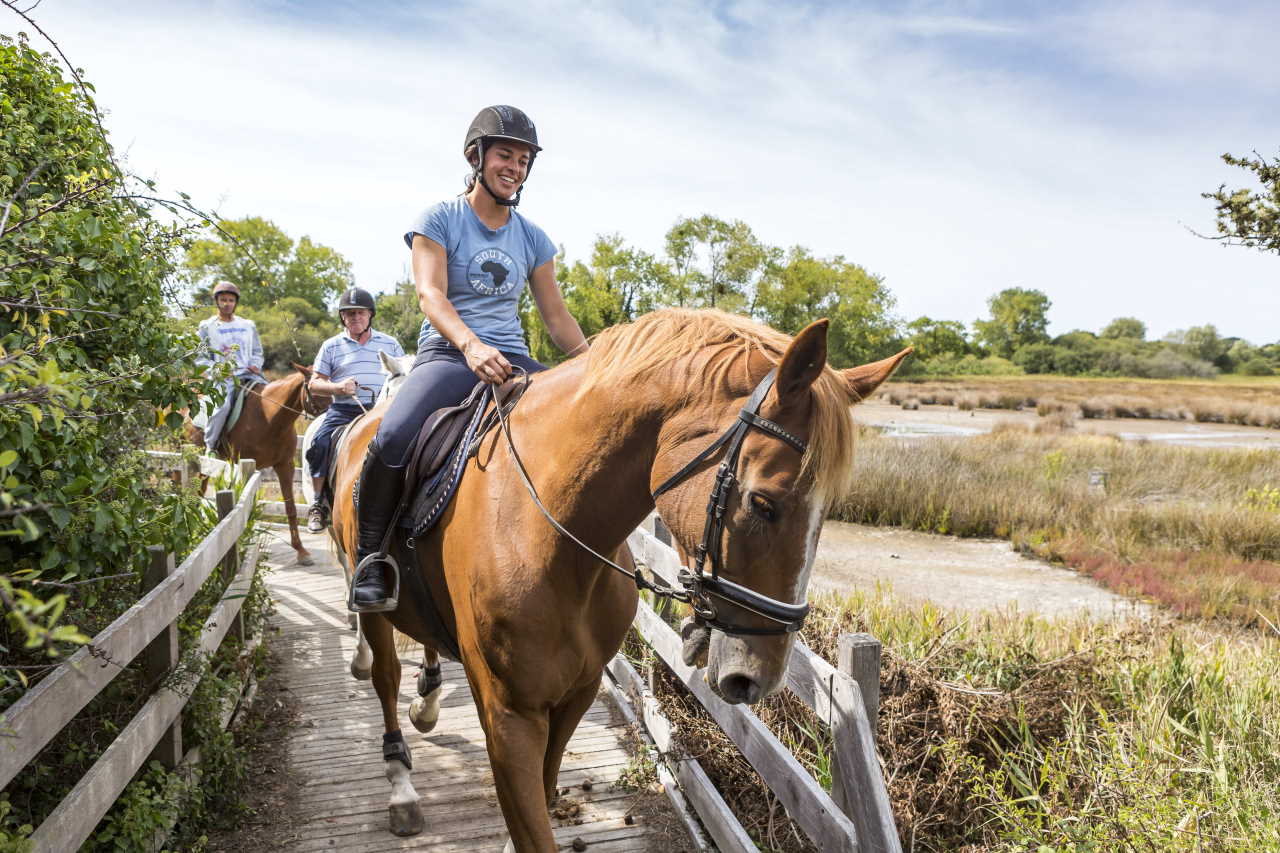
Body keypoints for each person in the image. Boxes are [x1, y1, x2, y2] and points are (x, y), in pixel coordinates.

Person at [348, 105, 590, 612]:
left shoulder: (533, 238)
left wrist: (595, 366)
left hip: (514, 360)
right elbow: (431, 295)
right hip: (448, 355)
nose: (515, 168)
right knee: (392, 434)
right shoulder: (438, 219)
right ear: (476, 156)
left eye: (524, 160)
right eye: (506, 155)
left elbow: (556, 317)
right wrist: (471, 346)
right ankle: (370, 560)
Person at [305, 287, 405, 532]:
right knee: (318, 443)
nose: (355, 318)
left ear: (370, 315)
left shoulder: (390, 344)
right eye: (349, 314)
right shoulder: (331, 346)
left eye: (359, 313)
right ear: (342, 318)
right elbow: (314, 384)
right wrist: (339, 387)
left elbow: (404, 373)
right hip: (344, 411)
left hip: (381, 410)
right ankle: (317, 504)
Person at [196, 281, 265, 453]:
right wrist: (219, 371)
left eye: (231, 300)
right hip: (223, 378)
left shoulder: (248, 325)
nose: (227, 304)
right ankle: (210, 447)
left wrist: (255, 364)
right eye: (223, 300)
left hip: (250, 375)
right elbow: (200, 358)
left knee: (273, 398)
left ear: (236, 303)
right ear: (217, 301)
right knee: (222, 407)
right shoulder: (206, 326)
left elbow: (257, 351)